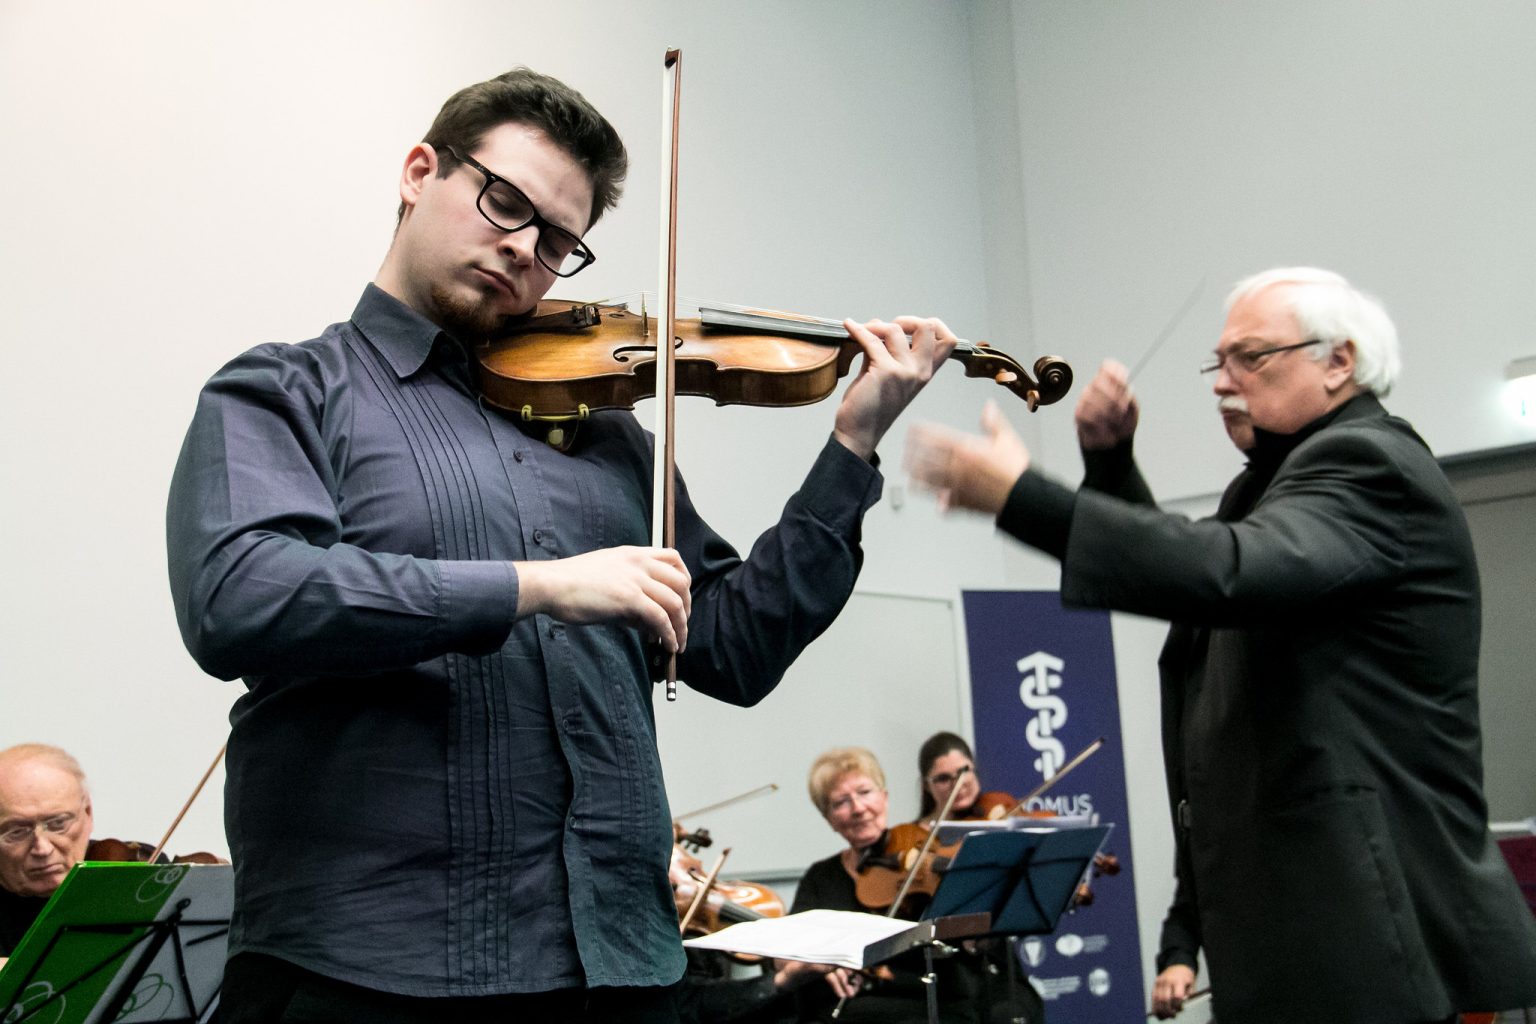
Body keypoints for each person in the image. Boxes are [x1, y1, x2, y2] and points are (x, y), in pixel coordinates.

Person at [165, 68, 955, 1024]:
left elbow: (735, 647)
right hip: (369, 966)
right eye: (504, 202)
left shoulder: (608, 435)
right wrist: (535, 586)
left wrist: (853, 444)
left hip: (618, 969)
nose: (523, 249)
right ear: (419, 172)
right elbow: (241, 595)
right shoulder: (285, 391)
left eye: (556, 242)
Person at [903, 267, 1536, 1024]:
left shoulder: (1369, 463)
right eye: (1219, 361)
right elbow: (1199, 591)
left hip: (1364, 927)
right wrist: (1110, 461)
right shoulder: (1271, 485)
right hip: (1306, 925)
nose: (1223, 382)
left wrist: (1021, 497)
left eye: (1251, 357)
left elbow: (1225, 572)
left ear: (1339, 361)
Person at [790, 747, 1027, 1024]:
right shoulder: (821, 877)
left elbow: (966, 943)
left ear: (885, 797)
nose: (858, 808)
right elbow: (788, 948)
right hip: (856, 1006)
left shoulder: (924, 852)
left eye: (865, 792)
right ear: (828, 818)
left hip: (932, 1000)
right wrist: (816, 963)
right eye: (841, 802)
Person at [0, 744, 94, 958]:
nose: (43, 848)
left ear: (88, 813)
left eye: (58, 823)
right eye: (17, 832)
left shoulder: (142, 870)